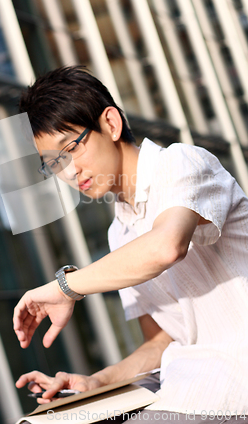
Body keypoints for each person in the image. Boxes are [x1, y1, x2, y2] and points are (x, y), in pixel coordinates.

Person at [13, 66, 248, 422]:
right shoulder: (119, 234)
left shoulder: (183, 163)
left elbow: (166, 247)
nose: (70, 171)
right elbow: (163, 341)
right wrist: (95, 382)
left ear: (110, 124)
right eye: (54, 163)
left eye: (72, 148)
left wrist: (66, 287)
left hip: (232, 389)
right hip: (186, 393)